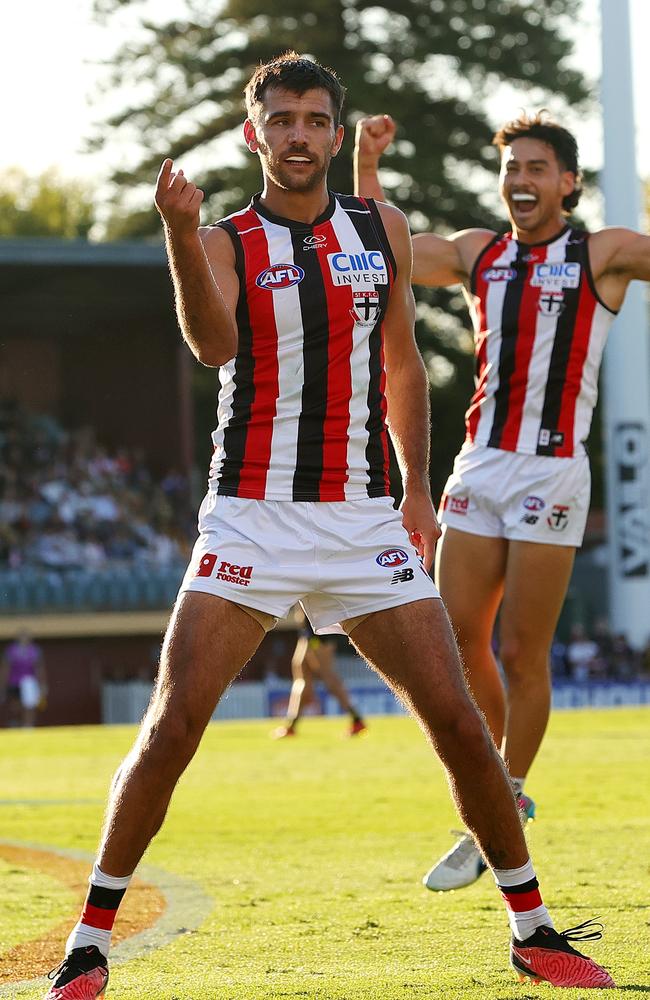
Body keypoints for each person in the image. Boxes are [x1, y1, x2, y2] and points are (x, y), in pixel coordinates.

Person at [44, 58, 614, 998]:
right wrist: (180, 236)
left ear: (336, 135)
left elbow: (402, 368)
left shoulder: (378, 229)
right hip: (252, 516)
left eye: (315, 120)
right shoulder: (225, 237)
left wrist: (418, 489)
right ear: (253, 134)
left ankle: (533, 929)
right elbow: (213, 344)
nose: (300, 134)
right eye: (283, 120)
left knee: (462, 727)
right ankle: (90, 942)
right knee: (173, 724)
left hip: (361, 520)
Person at [355, 110, 650, 892]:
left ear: (568, 183)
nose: (521, 180)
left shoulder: (605, 253)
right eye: (512, 168)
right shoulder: (480, 252)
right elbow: (375, 250)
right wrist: (365, 163)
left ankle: (504, 797)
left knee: (522, 651)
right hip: (479, 466)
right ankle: (494, 792)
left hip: (551, 471)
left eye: (537, 168)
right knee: (453, 646)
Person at [272, 612, 367, 738]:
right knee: (301, 674)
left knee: (325, 675)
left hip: (318, 631)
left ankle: (357, 720)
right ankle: (291, 725)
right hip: (308, 630)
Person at [1, 631, 47, 728]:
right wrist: (2, 685)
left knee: (29, 705)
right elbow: (6, 668)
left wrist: (42, 684)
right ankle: (16, 723)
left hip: (29, 682)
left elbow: (39, 668)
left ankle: (28, 725)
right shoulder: (11, 650)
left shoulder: (34, 650)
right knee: (15, 706)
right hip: (14, 682)